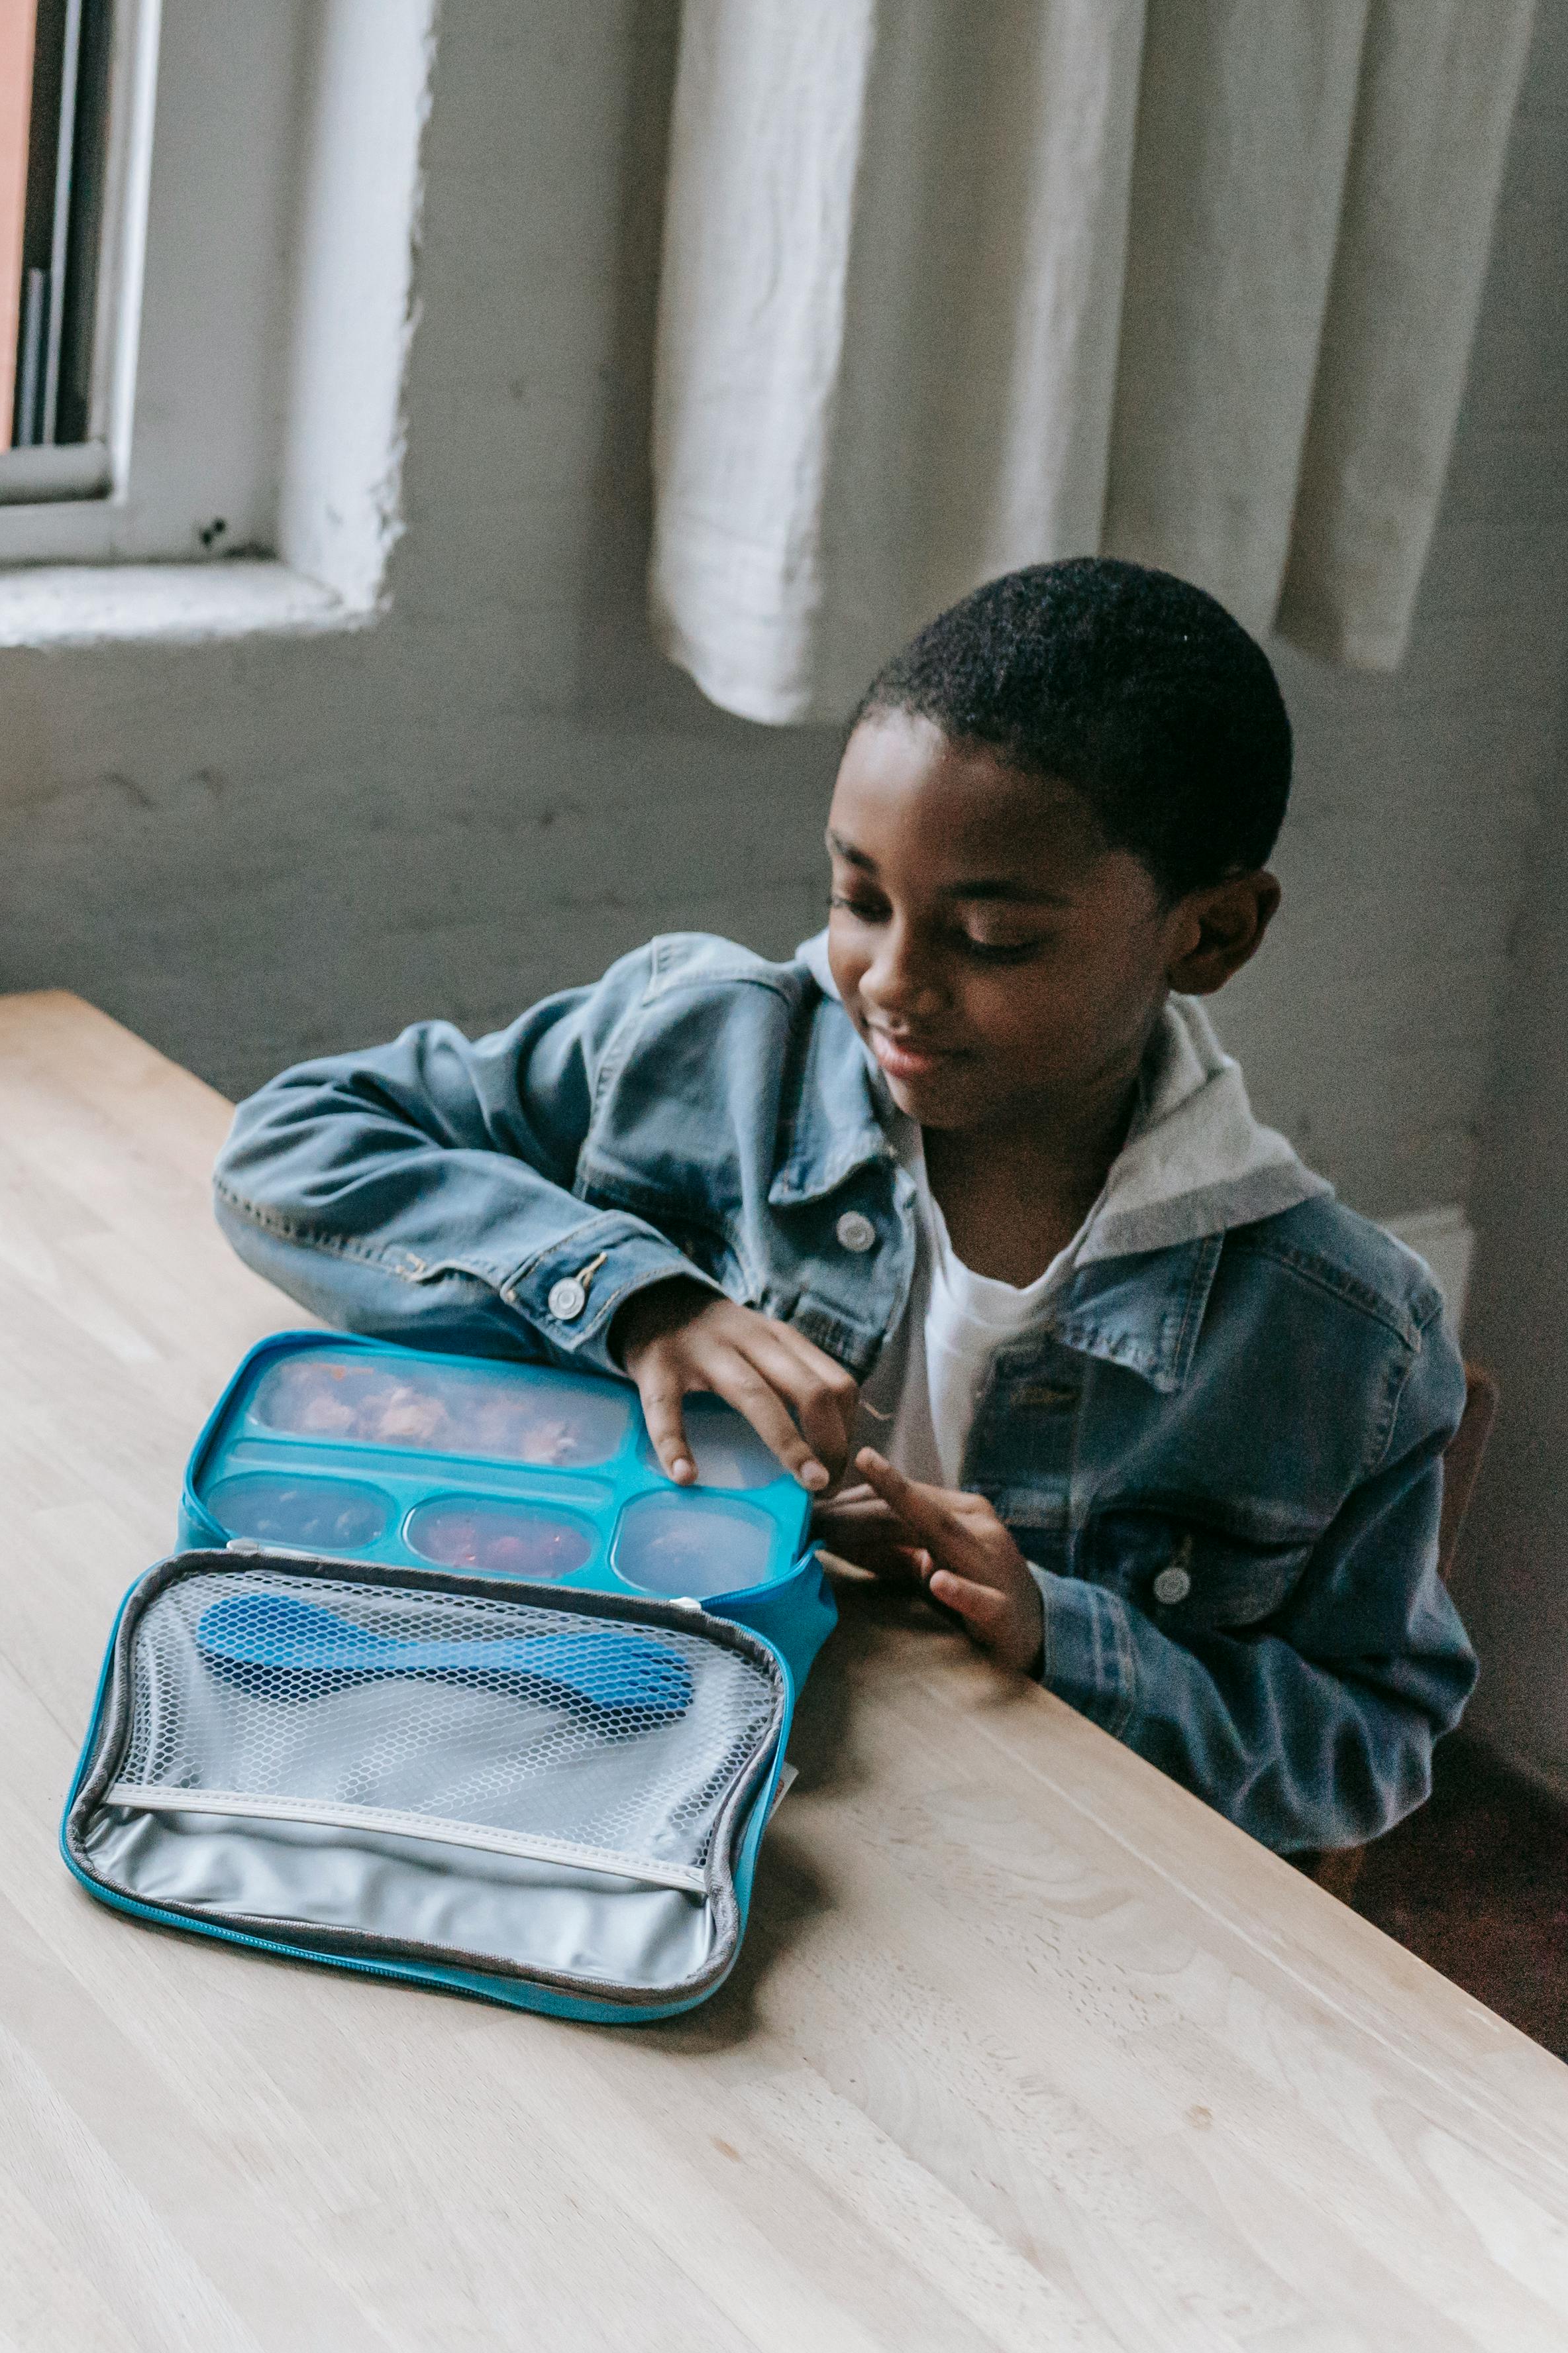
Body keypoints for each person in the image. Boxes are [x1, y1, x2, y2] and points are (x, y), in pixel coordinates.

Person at [209, 560, 1473, 1855]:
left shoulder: (1343, 1339)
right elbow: (295, 1146)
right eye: (860, 897)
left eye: (991, 940)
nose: (893, 983)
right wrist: (636, 1296)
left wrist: (1059, 1631)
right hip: (619, 1752)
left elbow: (1370, 1741)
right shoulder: (699, 1046)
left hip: (1009, 1886)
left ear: (1209, 935)